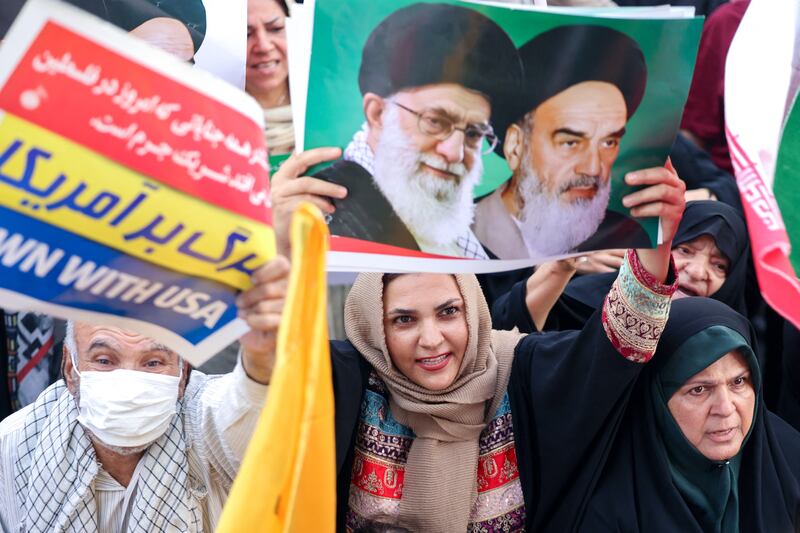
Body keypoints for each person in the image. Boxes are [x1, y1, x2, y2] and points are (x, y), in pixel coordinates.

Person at [272, 147, 686, 530]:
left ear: (473, 307)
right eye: (403, 320)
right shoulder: (347, 382)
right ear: (373, 329)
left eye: (449, 312)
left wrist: (657, 242)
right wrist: (277, 242)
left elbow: (620, 344)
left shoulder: (517, 371)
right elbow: (271, 355)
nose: (431, 339)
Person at [0, 257, 290, 532]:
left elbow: (245, 416)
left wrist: (261, 363)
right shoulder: (13, 446)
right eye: (104, 360)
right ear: (70, 368)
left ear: (182, 373)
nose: (129, 382)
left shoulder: (206, 426)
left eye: (153, 363)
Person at [572, 297, 800, 532]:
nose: (725, 408)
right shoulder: (610, 512)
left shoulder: (789, 468)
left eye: (738, 382)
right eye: (698, 389)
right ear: (657, 399)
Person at [313, 3, 523, 258]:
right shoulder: (318, 204)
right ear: (378, 113)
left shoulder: (463, 232)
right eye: (435, 122)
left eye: (472, 134)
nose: (454, 153)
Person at [474, 24, 650, 259]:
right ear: (516, 145)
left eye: (608, 142)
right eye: (570, 143)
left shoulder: (625, 238)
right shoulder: (458, 235)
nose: (593, 168)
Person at [492, 200, 749, 333]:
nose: (696, 271)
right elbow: (508, 332)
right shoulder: (580, 305)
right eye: (684, 250)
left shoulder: (734, 346)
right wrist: (559, 268)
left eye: (719, 265)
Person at [246, 0, 294, 156]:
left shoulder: (327, 106)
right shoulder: (207, 119)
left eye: (276, 29)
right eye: (246, 34)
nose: (264, 46)